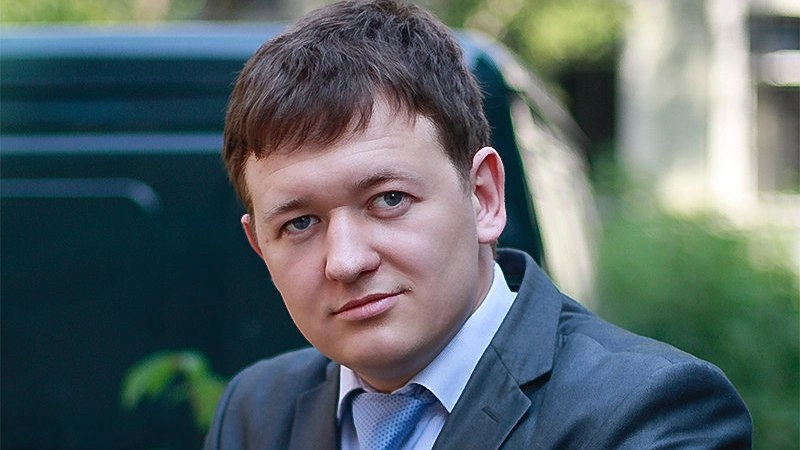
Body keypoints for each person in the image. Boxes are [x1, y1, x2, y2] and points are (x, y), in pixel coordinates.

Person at [204, 0, 752, 448]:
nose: (346, 261)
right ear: (260, 247)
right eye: (300, 223)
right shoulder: (256, 412)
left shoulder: (647, 411)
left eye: (389, 199)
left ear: (484, 197)